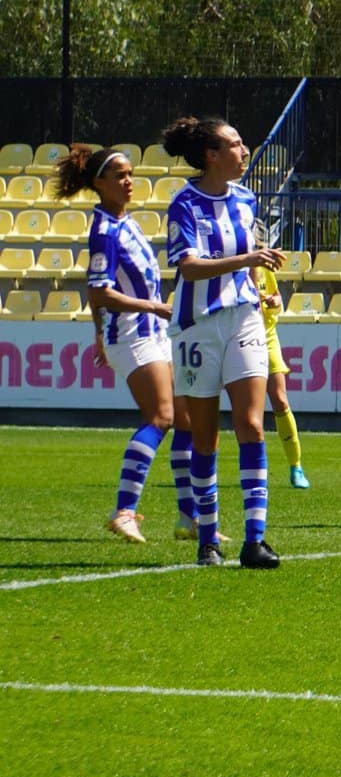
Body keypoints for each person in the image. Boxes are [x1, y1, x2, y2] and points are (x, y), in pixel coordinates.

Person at [54, 144, 200, 545]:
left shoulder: (126, 222)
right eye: (119, 175)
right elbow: (99, 291)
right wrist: (152, 307)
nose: (129, 181)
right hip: (134, 335)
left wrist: (98, 334)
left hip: (151, 333)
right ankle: (124, 511)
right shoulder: (104, 231)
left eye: (130, 173)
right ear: (99, 183)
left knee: (186, 419)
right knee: (161, 417)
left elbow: (98, 292)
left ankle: (189, 517)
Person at [163, 116, 282, 569]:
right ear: (211, 155)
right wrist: (248, 259)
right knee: (205, 436)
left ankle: (255, 540)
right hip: (197, 326)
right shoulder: (184, 204)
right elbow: (190, 268)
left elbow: (248, 264)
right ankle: (208, 538)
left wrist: (258, 288)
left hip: (244, 320)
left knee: (251, 424)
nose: (244, 150)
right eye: (235, 144)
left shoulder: (246, 200)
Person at [254, 263, 310, 489]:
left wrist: (275, 302)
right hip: (240, 340)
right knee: (250, 409)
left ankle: (296, 466)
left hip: (267, 338)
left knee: (280, 399)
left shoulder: (263, 268)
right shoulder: (233, 267)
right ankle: (254, 468)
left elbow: (277, 297)